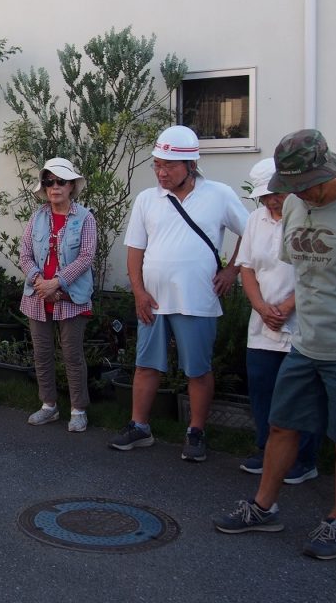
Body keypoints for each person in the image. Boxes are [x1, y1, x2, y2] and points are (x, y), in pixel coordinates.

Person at [213, 129, 336, 560]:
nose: (296, 193)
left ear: (325, 172)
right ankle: (264, 507)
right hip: (305, 342)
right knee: (281, 424)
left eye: (303, 184)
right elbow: (304, 271)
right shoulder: (295, 204)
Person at [110, 125, 246, 461]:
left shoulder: (219, 194)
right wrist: (138, 292)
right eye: (157, 164)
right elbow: (135, 251)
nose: (161, 172)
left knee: (197, 369)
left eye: (169, 165)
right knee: (145, 365)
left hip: (197, 299)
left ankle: (196, 431)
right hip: (153, 300)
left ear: (191, 165)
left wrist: (232, 270)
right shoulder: (147, 199)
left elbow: (251, 232)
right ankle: (139, 426)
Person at [234, 157, 318, 484]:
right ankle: (266, 450)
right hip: (262, 324)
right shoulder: (255, 219)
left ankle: (304, 459)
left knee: (300, 395)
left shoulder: (309, 217)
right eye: (265, 195)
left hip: (300, 323)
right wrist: (260, 307)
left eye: (276, 193)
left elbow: (314, 271)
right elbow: (246, 267)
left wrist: (286, 306)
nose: (271, 200)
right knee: (262, 390)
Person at [19, 158, 97, 432]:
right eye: (49, 181)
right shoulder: (37, 218)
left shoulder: (85, 218)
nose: (55, 187)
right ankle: (48, 406)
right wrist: (40, 281)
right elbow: (24, 254)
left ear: (72, 185)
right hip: (38, 295)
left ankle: (78, 410)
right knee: (42, 354)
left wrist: (57, 283)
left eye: (61, 181)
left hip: (71, 296)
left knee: (72, 355)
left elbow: (86, 256)